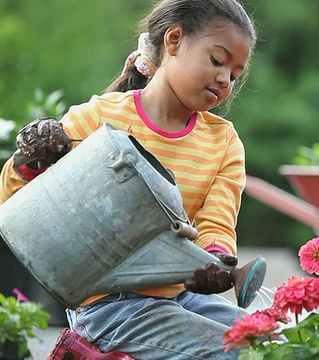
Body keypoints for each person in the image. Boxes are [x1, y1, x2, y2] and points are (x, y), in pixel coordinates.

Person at [0, 0, 257, 359]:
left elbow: (217, 223)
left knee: (267, 342)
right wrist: (31, 159)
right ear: (174, 40)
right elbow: (13, 201)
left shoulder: (223, 142)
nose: (224, 79)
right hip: (107, 305)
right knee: (232, 352)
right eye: (217, 60)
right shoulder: (102, 117)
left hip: (178, 295)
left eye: (235, 73)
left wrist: (214, 262)